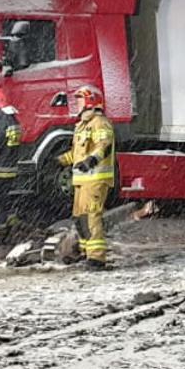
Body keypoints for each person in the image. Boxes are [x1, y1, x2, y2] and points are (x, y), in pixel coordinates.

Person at [58, 85, 116, 268]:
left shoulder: (100, 122)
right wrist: (61, 160)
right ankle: (85, 252)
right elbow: (77, 154)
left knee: (92, 216)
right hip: (82, 180)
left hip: (96, 179)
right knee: (80, 217)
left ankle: (97, 258)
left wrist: (91, 160)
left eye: (80, 100)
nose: (77, 104)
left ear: (91, 101)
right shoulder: (82, 125)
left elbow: (104, 145)